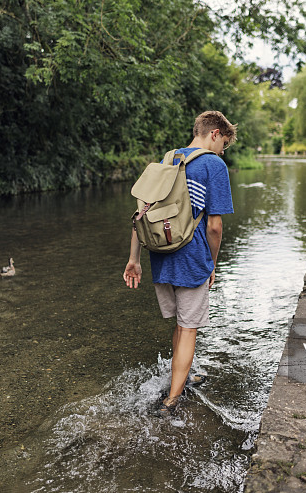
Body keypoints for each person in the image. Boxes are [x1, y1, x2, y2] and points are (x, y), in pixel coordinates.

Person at [123, 110, 236, 416]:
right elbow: (214, 226)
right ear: (214, 134)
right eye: (223, 143)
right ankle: (172, 400)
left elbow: (142, 213)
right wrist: (211, 265)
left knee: (179, 323)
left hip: (160, 253)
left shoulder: (169, 159)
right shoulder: (214, 164)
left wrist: (135, 259)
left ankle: (180, 377)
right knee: (188, 328)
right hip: (191, 255)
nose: (222, 151)